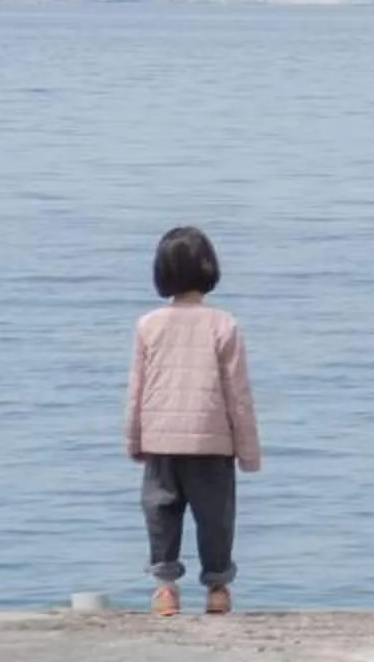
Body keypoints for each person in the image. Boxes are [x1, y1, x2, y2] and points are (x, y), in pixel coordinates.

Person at [123, 225, 261, 616]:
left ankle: (166, 590)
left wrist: (134, 439)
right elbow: (239, 395)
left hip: (161, 439)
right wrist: (248, 452)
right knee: (215, 517)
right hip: (211, 443)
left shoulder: (148, 324)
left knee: (161, 512)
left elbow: (137, 389)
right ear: (209, 268)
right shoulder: (224, 325)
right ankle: (217, 588)